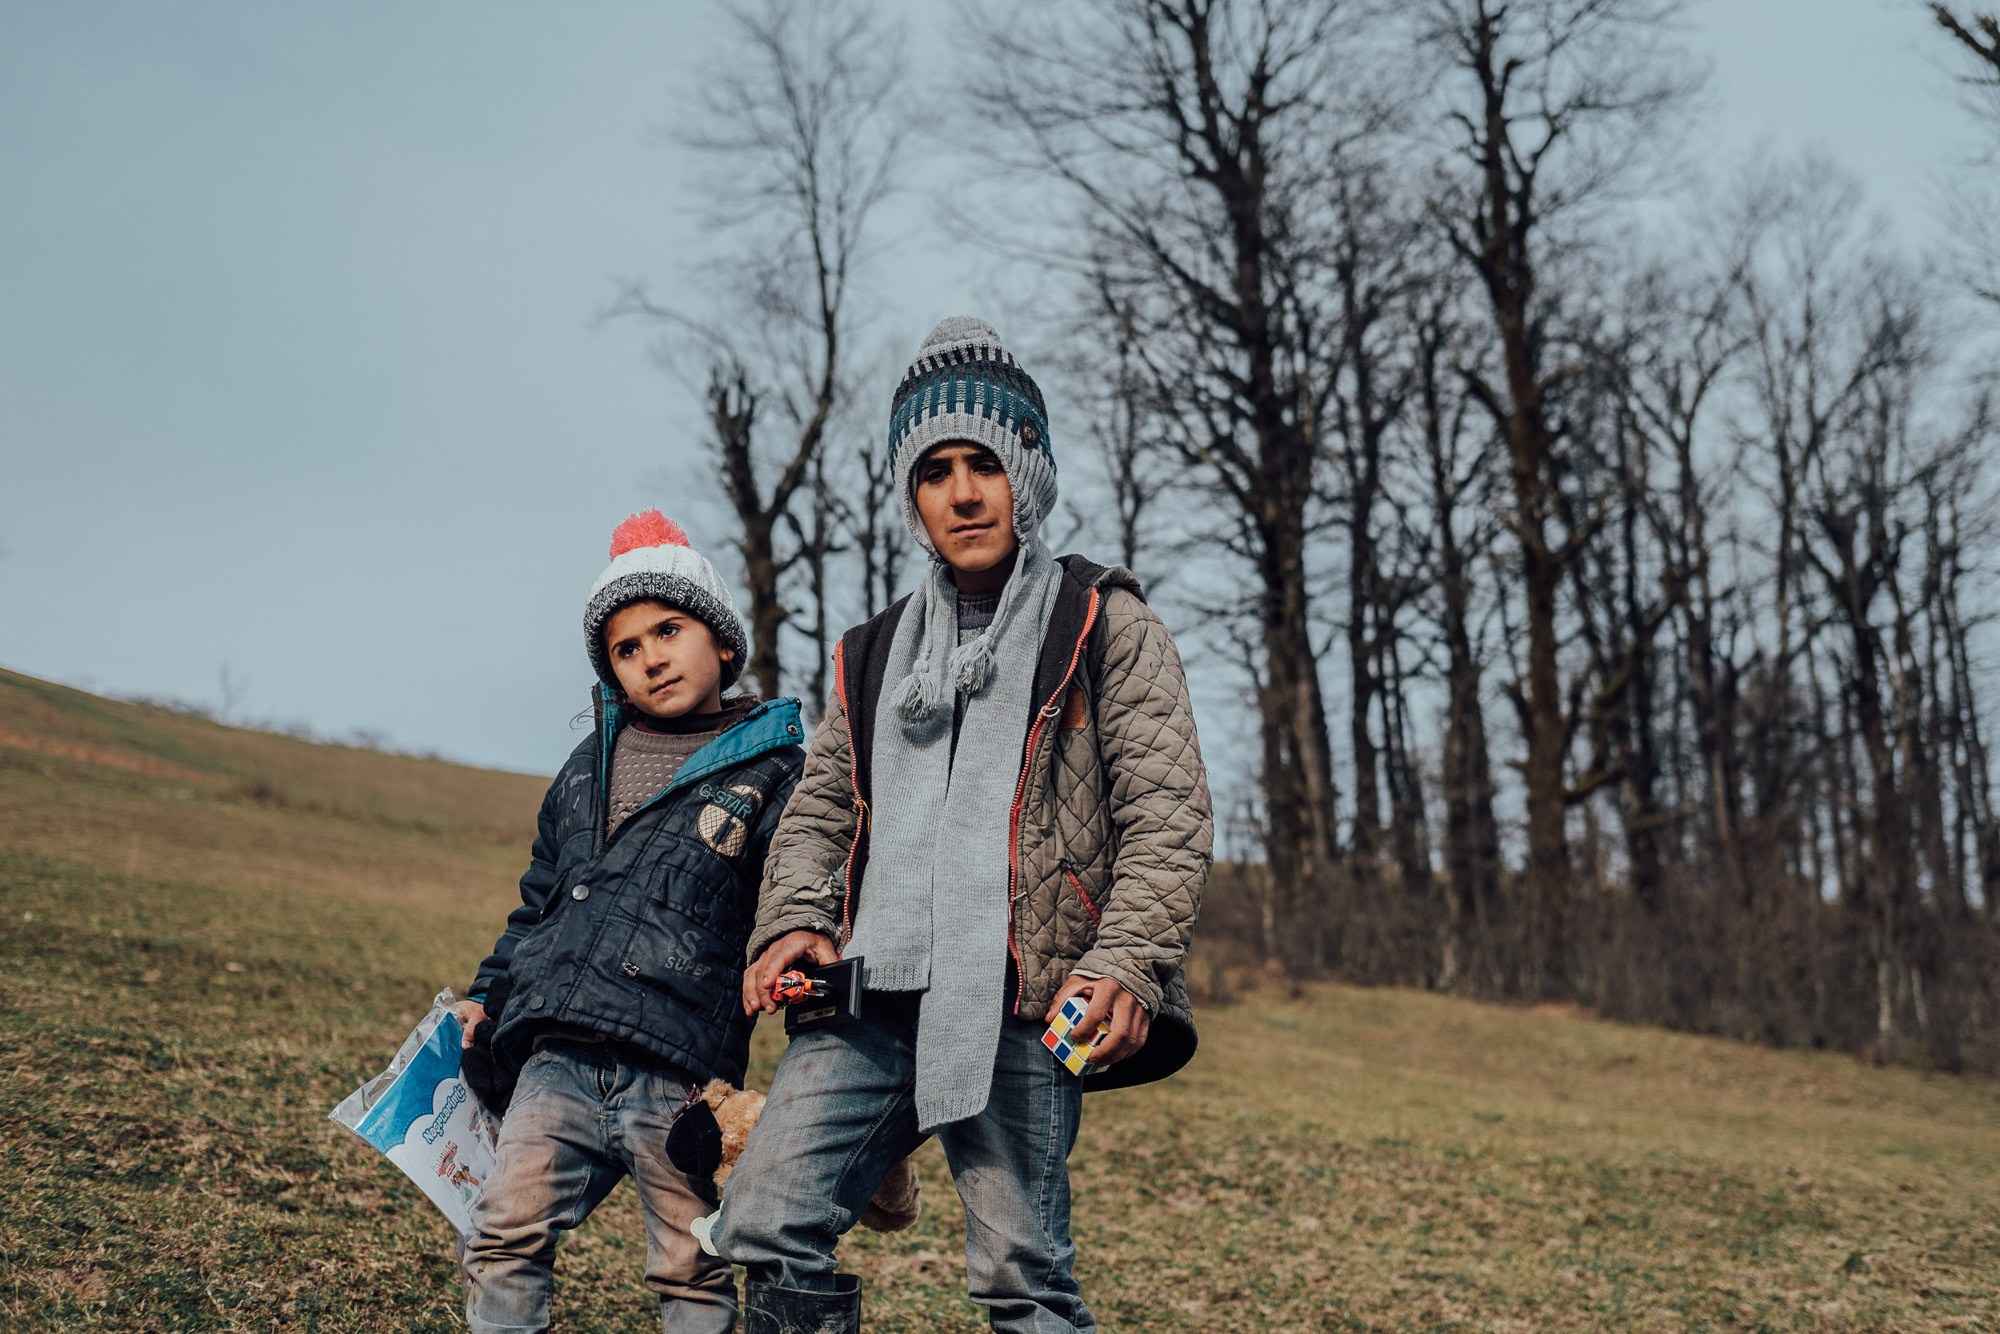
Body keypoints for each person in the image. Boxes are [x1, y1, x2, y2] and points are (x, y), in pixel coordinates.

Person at [716, 316, 1213, 1333]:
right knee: (762, 1218)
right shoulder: (875, 650)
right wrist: (794, 918)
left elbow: (1168, 812)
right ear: (913, 495)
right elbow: (817, 809)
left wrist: (1123, 960)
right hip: (870, 993)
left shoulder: (1103, 622)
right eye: (934, 470)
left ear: (1024, 470)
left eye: (982, 461)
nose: (962, 490)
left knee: (1019, 1276)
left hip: (1027, 1000)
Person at [453, 510, 806, 1334]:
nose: (650, 655)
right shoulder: (586, 767)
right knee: (502, 1232)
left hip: (680, 1068)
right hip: (555, 1056)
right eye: (626, 647)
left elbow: (796, 896)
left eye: (668, 630)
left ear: (722, 642)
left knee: (690, 1264)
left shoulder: (774, 771)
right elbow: (537, 902)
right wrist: (487, 994)